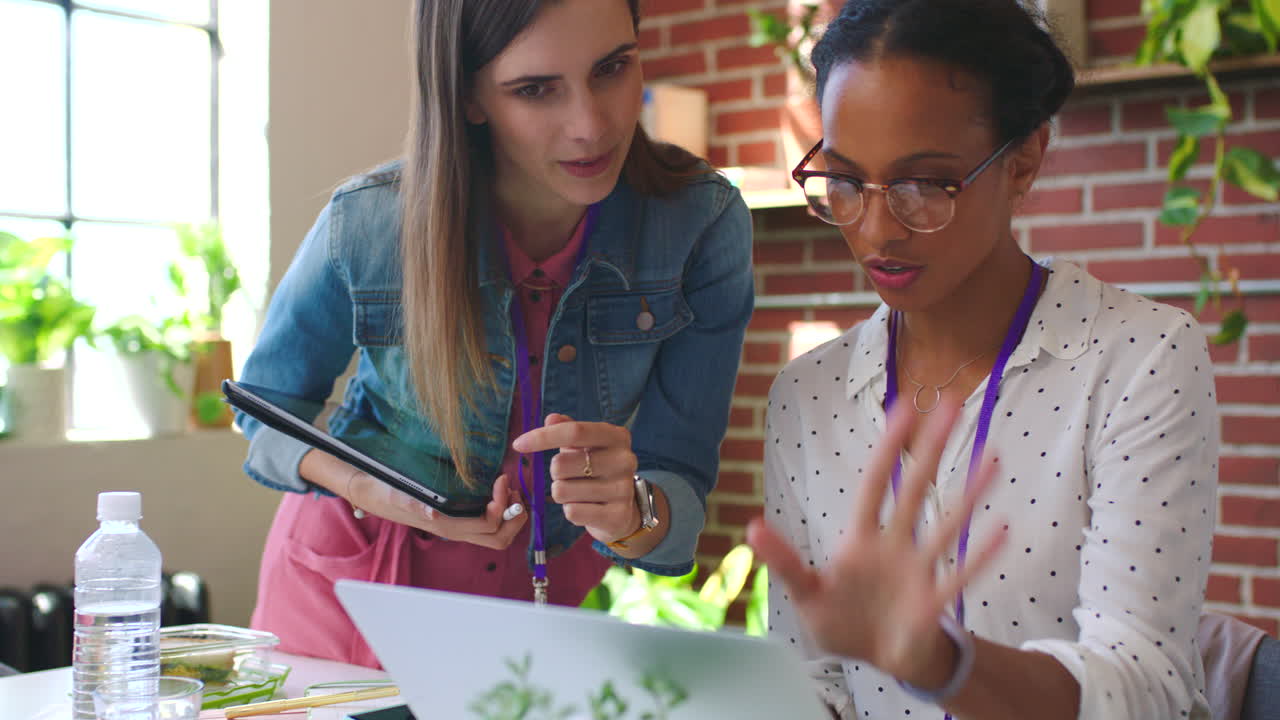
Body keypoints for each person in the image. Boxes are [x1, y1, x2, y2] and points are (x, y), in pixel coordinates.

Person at [235, 0, 753, 667]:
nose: (591, 125)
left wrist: (630, 514)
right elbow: (264, 408)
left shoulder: (702, 226)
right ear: (468, 95)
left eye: (613, 68)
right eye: (536, 89)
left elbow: (677, 478)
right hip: (347, 592)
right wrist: (387, 494)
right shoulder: (367, 224)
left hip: (534, 609)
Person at [747, 1, 1218, 718]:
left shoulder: (1137, 358)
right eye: (844, 181)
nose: (875, 230)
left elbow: (1143, 689)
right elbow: (815, 685)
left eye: (921, 184)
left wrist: (943, 666)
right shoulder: (808, 396)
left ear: (1024, 157)